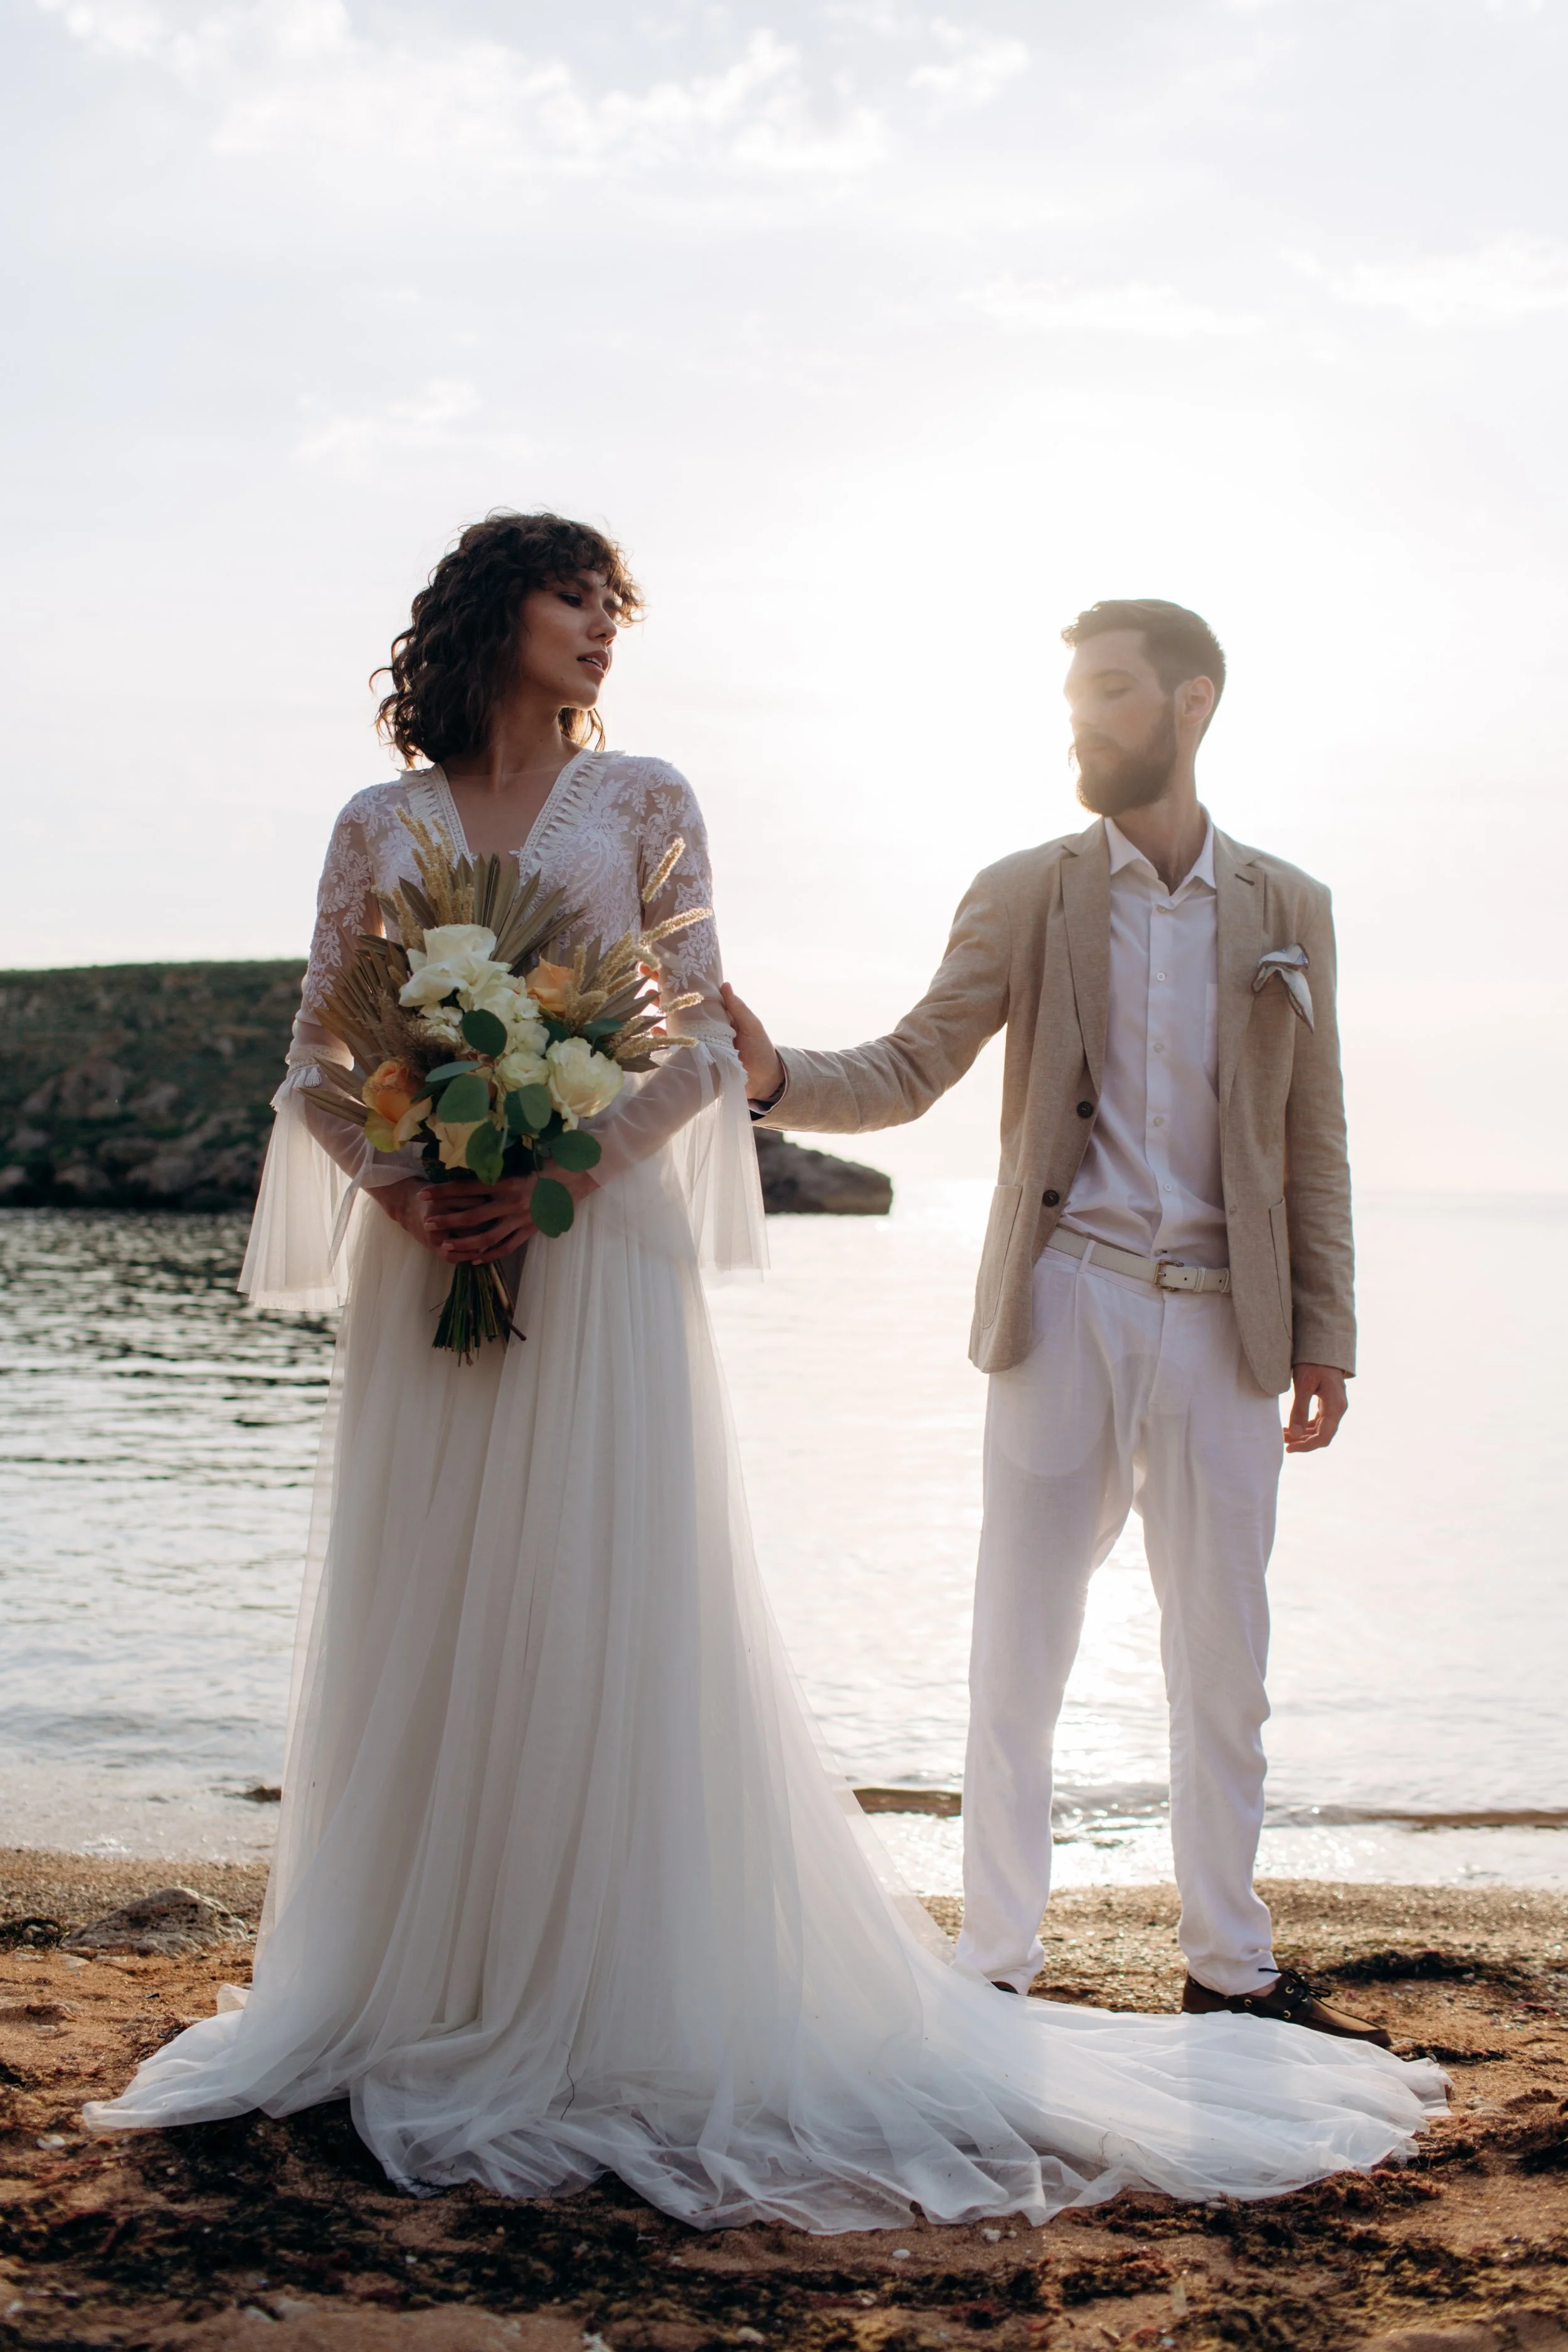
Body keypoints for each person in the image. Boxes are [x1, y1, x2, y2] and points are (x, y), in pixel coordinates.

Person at [86, 540, 1440, 2228]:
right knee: (463, 1615)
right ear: (488, 612)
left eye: (613, 607)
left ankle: (1203, 1966)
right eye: (574, 595)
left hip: (639, 1264)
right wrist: (415, 1182)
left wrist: (560, 1172)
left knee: (643, 1610)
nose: (599, 627)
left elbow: (701, 1041)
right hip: (485, 1256)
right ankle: (484, 1973)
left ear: (1189, 702)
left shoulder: (656, 797)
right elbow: (329, 1057)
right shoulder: (386, 826)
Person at [725, 598, 1389, 2045]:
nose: (1080, 722)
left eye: (1107, 694)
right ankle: (995, 1962)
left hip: (1230, 1324)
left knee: (1225, 1658)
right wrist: (776, 1077)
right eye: (1071, 697)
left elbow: (1313, 1136)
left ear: (1190, 703)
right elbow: (911, 1065)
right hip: (1066, 1299)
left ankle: (1228, 1961)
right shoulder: (1027, 888)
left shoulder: (1289, 909)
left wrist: (1324, 1327)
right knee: (1017, 1649)